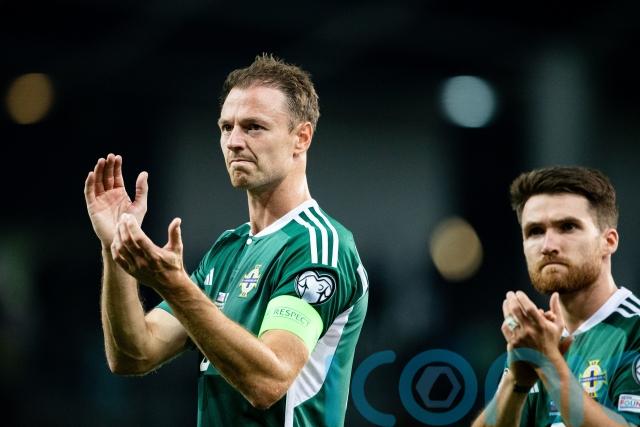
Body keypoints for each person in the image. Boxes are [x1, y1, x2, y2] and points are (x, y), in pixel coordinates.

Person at [83, 54, 369, 427]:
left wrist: (174, 284)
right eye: (226, 127)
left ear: (301, 138)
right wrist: (116, 249)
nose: (233, 142)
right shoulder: (227, 251)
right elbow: (134, 354)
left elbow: (268, 381)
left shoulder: (318, 246)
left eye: (253, 127)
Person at [472, 166, 640, 427]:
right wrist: (515, 382)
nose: (548, 246)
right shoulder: (539, 337)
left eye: (568, 227)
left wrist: (549, 365)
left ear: (608, 241)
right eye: (535, 231)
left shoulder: (634, 329)